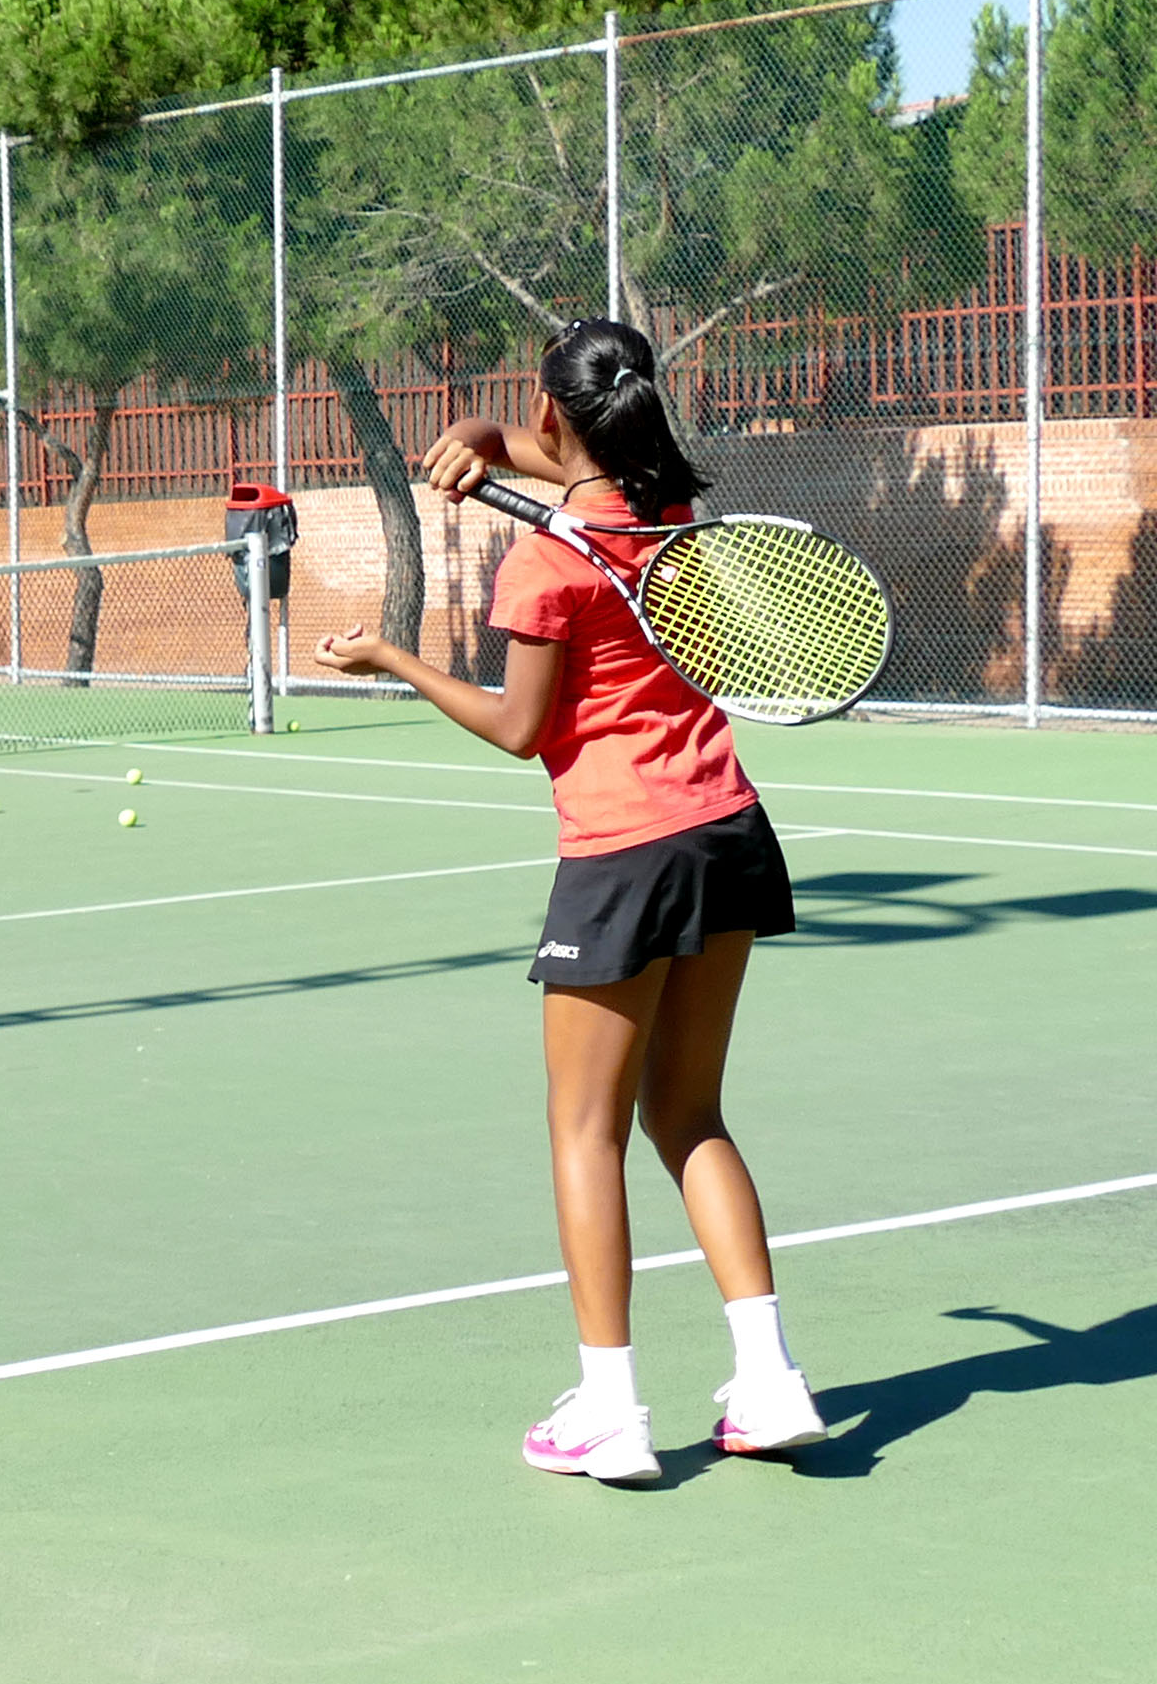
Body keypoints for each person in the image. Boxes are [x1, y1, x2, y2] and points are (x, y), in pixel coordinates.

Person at [306, 318, 832, 1481]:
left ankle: (610, 1408)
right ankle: (771, 1381)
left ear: (554, 412)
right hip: (729, 834)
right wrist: (478, 435)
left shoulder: (543, 567)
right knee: (690, 1117)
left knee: (584, 1131)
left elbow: (518, 728)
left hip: (623, 857)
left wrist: (394, 660)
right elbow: (540, 455)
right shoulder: (671, 513)